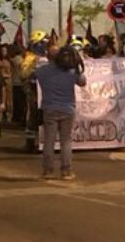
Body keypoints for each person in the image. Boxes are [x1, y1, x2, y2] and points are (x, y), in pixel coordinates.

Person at [36, 46, 87, 180]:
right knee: (65, 141)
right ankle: (66, 171)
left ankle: (48, 171)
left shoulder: (41, 71)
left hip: (49, 109)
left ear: (47, 56)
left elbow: (28, 76)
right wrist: (77, 67)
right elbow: (83, 82)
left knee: (49, 141)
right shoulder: (70, 71)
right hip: (68, 109)